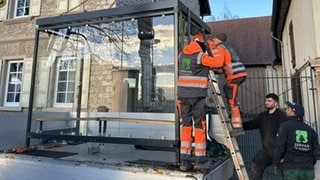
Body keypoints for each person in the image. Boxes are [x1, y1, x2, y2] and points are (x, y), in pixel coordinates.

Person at [177, 29, 224, 171]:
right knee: (199, 126)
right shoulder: (200, 56)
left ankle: (184, 161)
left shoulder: (181, 55)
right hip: (197, 96)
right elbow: (218, 63)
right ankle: (200, 160)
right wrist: (217, 48)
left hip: (183, 96)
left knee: (185, 126)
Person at [207, 33, 247, 136]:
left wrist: (207, 64)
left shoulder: (220, 48)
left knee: (231, 99)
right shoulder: (227, 47)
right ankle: (237, 110)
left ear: (217, 39)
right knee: (228, 90)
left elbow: (218, 63)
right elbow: (224, 65)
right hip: (239, 73)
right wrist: (217, 71)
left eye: (214, 39)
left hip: (235, 75)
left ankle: (238, 127)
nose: (213, 41)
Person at [242, 93, 287, 180]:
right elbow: (251, 124)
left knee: (287, 174)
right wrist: (239, 125)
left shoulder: (282, 116)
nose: (266, 102)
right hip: (266, 152)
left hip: (280, 152)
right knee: (256, 163)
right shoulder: (262, 116)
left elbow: (286, 135)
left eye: (269, 101)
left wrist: (284, 154)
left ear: (276, 103)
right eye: (266, 100)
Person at [273, 101, 320, 180]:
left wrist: (276, 162)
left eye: (288, 108)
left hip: (292, 169)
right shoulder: (310, 130)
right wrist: (310, 163)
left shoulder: (285, 126)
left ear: (293, 112)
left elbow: (280, 146)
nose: (286, 110)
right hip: (308, 170)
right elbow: (316, 151)